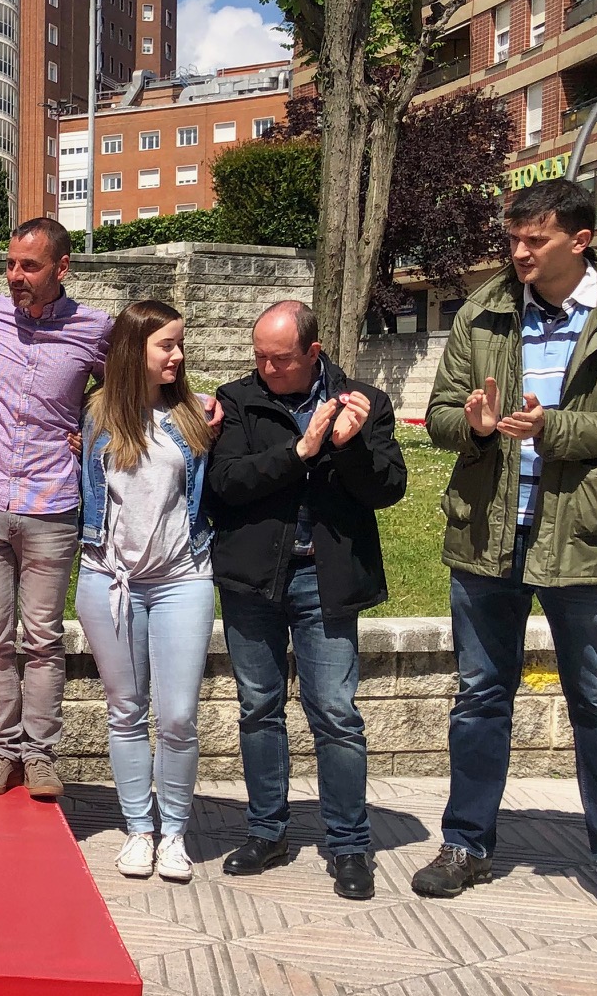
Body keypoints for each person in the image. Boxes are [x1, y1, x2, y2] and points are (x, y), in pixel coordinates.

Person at [416, 178, 597, 936]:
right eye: (514, 237)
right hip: (489, 535)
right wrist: (480, 426)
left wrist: (554, 428)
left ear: (580, 240)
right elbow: (439, 416)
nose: (519, 251)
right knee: (479, 697)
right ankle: (465, 844)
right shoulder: (485, 309)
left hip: (588, 540)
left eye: (536, 239)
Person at [207, 301, 407, 901]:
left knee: (336, 715)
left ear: (313, 353)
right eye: (259, 356)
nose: (266, 368)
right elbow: (225, 484)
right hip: (253, 580)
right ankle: (266, 831)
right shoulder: (239, 399)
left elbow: (389, 489)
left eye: (279, 359)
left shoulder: (361, 400)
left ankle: (349, 844)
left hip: (326, 580)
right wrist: (300, 452)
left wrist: (345, 447)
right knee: (259, 707)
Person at [0, 217, 112, 802]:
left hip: (51, 503)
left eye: (30, 266)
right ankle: (2, 752)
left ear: (62, 268)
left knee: (43, 637)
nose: (15, 276)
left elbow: (137, 382)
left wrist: (90, 426)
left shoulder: (96, 329)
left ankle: (41, 754)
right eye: (11, 264)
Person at [76, 300, 216, 883]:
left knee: (179, 715)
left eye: (180, 344)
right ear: (135, 351)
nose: (179, 356)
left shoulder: (193, 417)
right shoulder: (98, 419)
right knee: (127, 711)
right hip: (109, 580)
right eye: (167, 345)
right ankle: (138, 829)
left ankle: (175, 832)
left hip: (183, 579)